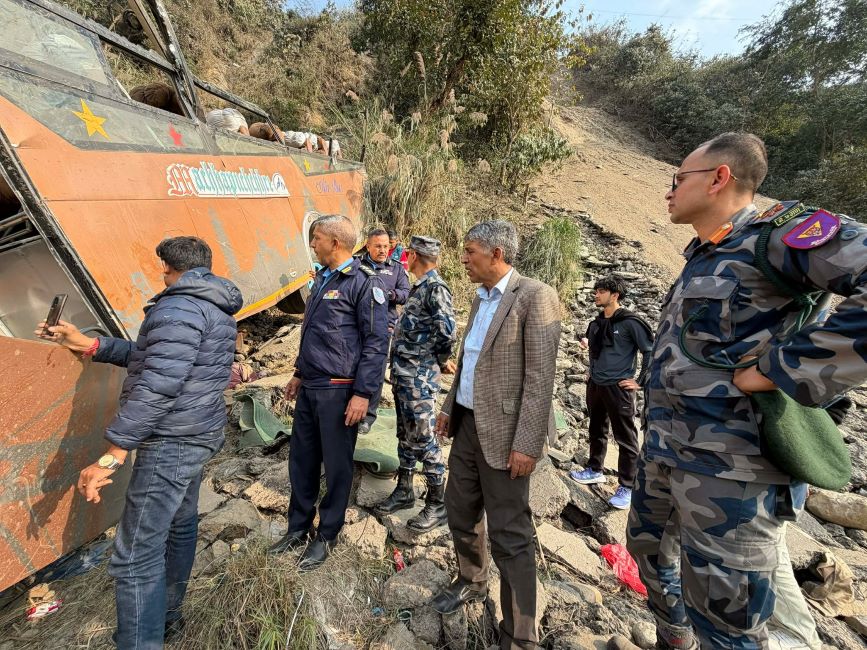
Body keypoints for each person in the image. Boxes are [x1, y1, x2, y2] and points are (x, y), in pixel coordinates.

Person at [625, 132, 867, 649]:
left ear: (719, 178)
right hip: (667, 454)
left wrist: (784, 367)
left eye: (678, 178)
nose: (669, 190)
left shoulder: (776, 236)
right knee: (650, 559)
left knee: (729, 625)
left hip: (734, 471)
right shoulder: (706, 252)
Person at [36, 237, 242, 649]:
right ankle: (166, 619)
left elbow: (157, 384)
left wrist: (113, 454)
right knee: (179, 526)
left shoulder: (177, 307)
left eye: (161, 267)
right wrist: (90, 344)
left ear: (166, 267)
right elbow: (155, 358)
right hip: (198, 432)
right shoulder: (214, 305)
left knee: (135, 554)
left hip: (171, 441)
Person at [431, 220, 561, 650]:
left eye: (470, 252)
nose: (463, 259)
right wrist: (449, 407)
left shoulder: (535, 296)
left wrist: (527, 444)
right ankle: (471, 579)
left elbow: (540, 379)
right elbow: (470, 360)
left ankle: (520, 634)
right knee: (459, 508)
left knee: (510, 534)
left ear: (497, 254)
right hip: (468, 426)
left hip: (507, 436)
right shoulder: (480, 297)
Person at [268, 214, 389, 571]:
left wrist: (363, 394)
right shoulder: (323, 278)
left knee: (336, 467)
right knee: (302, 460)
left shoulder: (363, 283)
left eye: (316, 238)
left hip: (340, 392)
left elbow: (376, 343)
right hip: (311, 387)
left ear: (335, 243)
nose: (312, 244)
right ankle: (297, 528)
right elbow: (316, 332)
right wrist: (298, 374)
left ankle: (328, 535)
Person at [373, 235, 457, 531]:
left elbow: (447, 332)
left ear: (413, 256)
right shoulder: (420, 286)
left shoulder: (435, 288)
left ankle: (437, 503)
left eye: (406, 253)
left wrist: (436, 360)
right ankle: (405, 490)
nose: (404, 257)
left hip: (419, 377)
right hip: (404, 375)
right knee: (405, 434)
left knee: (424, 438)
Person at [570, 275, 653, 510]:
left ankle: (627, 486)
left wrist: (640, 381)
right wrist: (591, 369)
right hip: (596, 385)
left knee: (626, 437)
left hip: (619, 388)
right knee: (596, 429)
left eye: (601, 291)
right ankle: (595, 469)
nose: (596, 294)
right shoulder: (596, 323)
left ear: (615, 295)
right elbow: (594, 347)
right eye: (596, 290)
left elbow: (649, 350)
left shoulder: (631, 322)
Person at [356, 228, 411, 434]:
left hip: (383, 327)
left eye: (386, 246)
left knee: (376, 372)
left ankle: (367, 417)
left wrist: (389, 294)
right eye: (378, 246)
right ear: (368, 246)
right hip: (356, 327)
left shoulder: (396, 269)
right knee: (352, 367)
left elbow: (406, 293)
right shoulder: (356, 265)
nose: (382, 250)